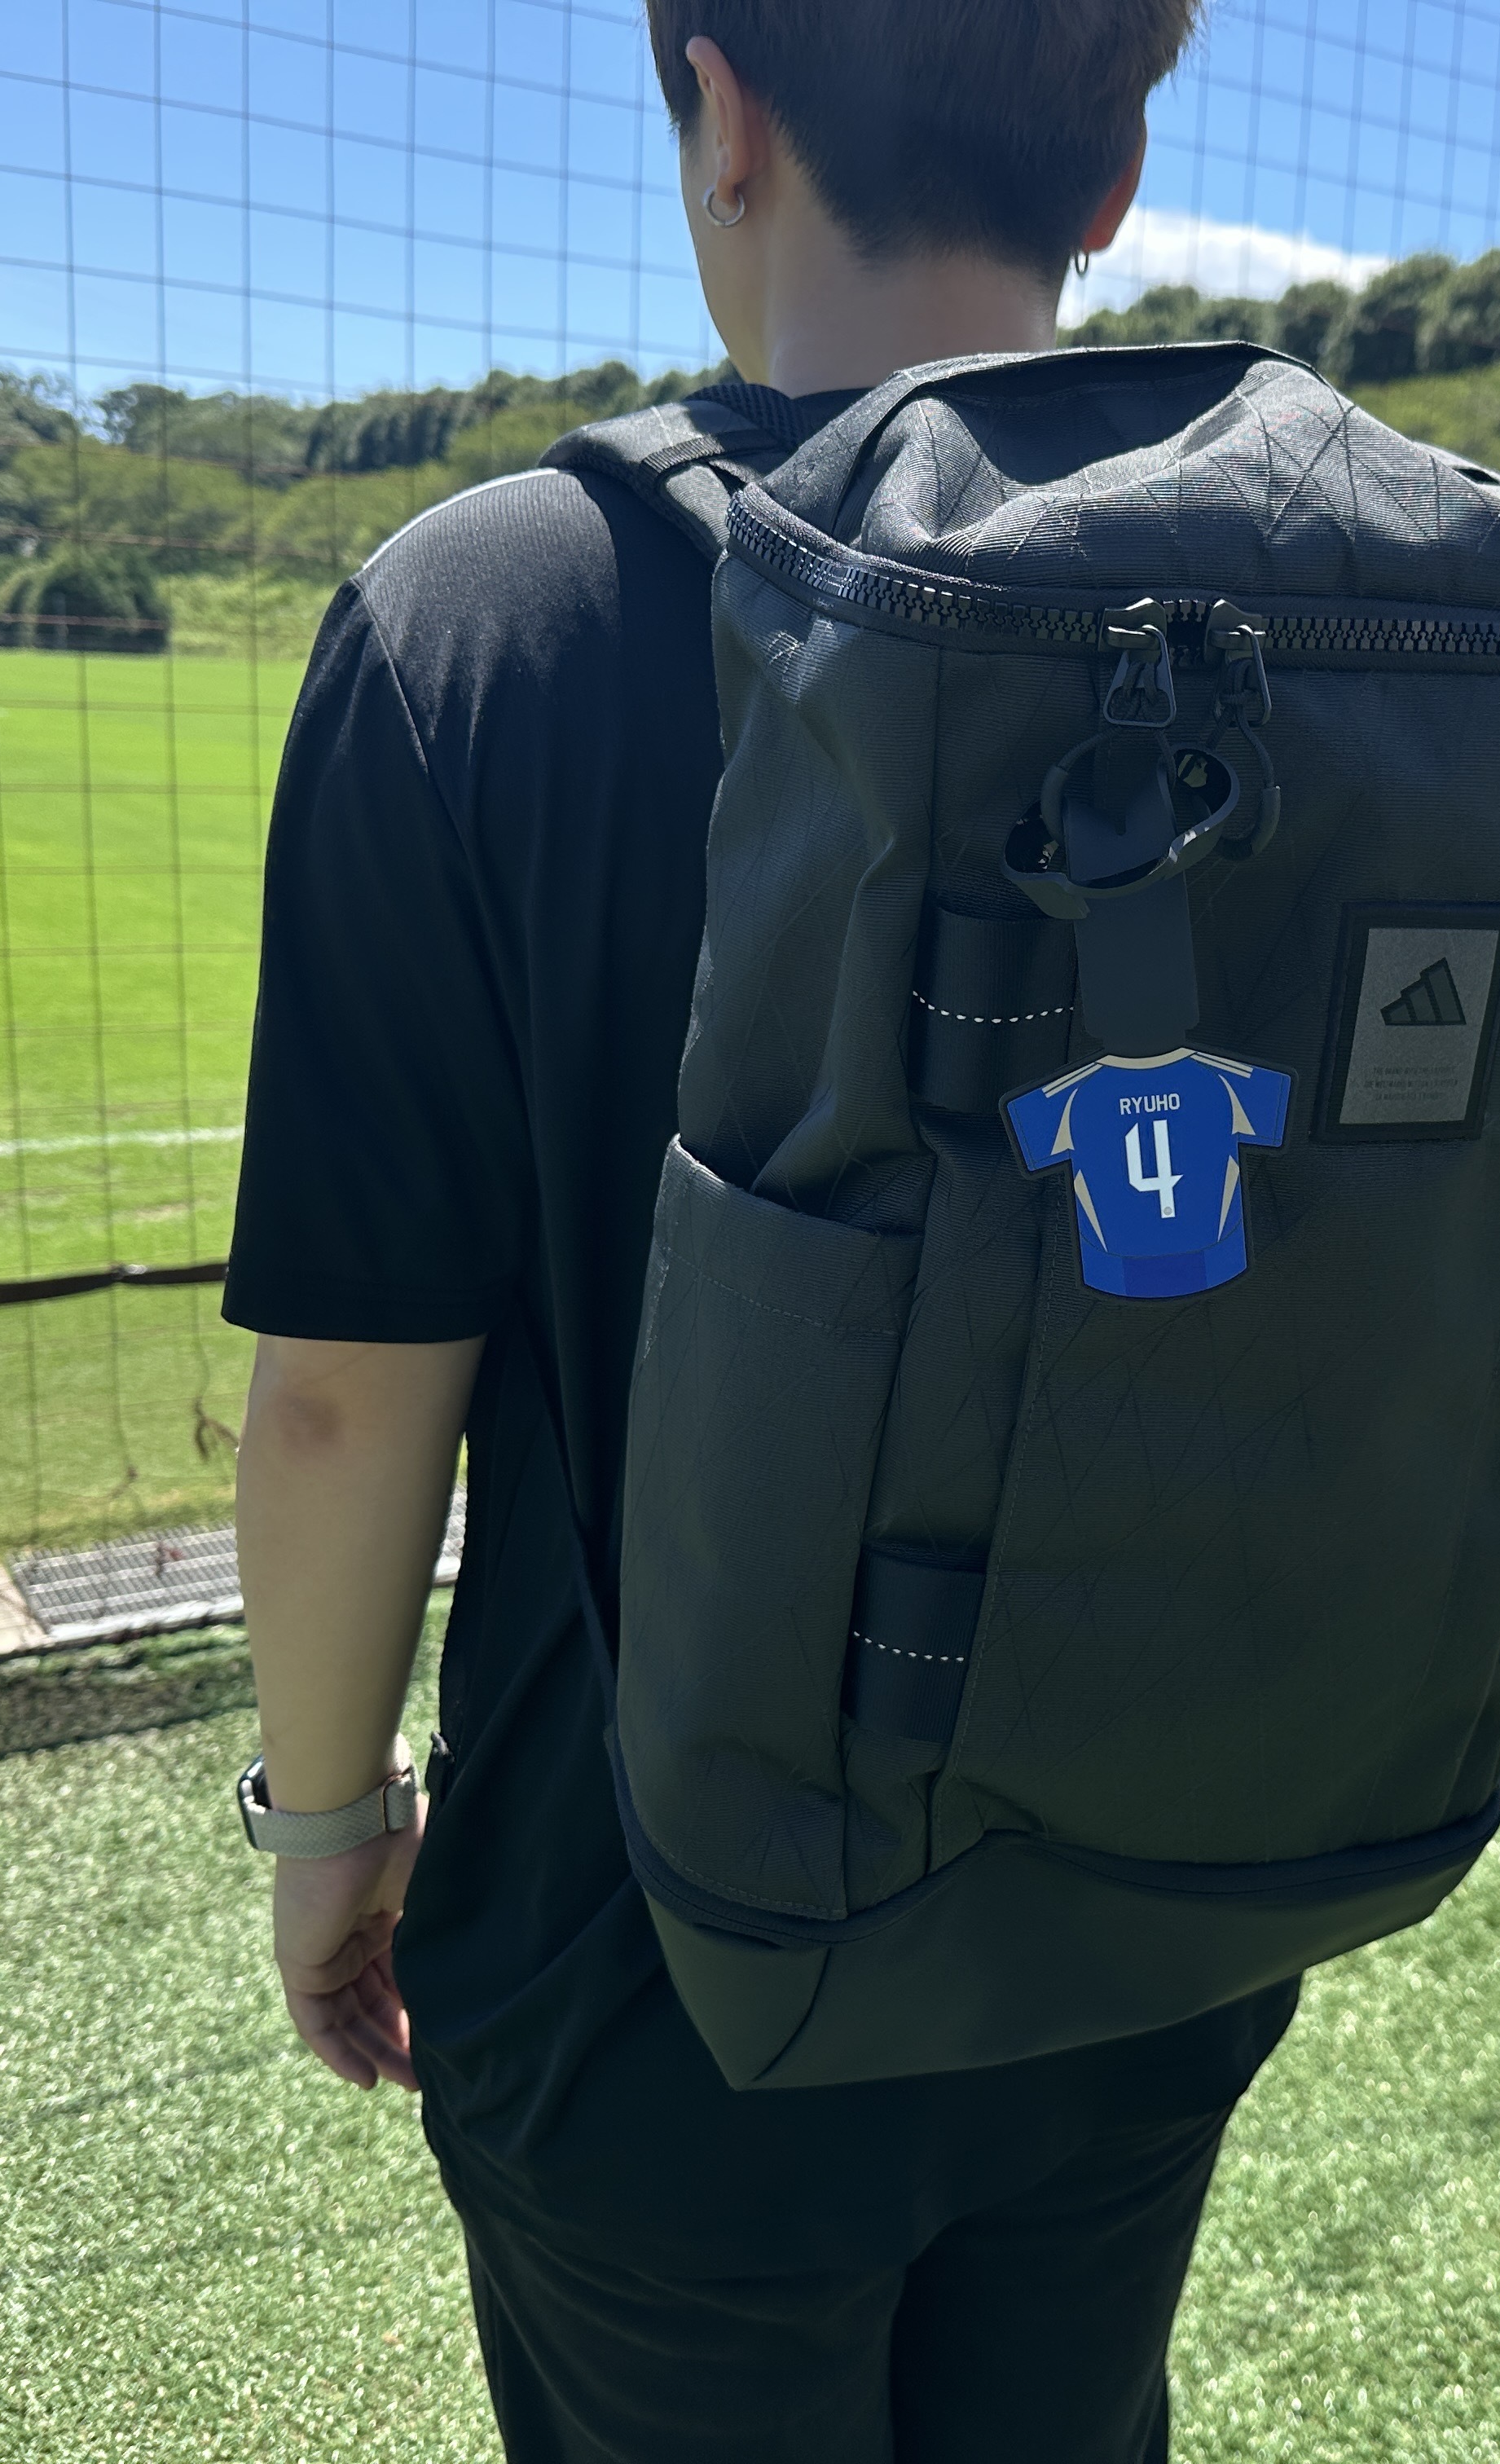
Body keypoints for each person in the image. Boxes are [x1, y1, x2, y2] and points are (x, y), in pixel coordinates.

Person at [221, 3, 1296, 2455]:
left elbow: (344, 1398)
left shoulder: (493, 619)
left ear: (719, 112)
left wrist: (332, 1831)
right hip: (1147, 1912)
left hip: (656, 1976)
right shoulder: (1303, 629)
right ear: (1114, 176)